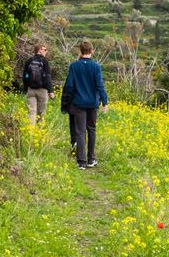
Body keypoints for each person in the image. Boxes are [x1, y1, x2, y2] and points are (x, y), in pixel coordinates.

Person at [63, 39, 108, 168]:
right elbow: (100, 85)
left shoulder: (74, 66)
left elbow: (70, 86)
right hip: (92, 103)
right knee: (92, 130)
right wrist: (105, 102)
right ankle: (91, 159)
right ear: (91, 51)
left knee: (80, 132)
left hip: (78, 103)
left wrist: (66, 102)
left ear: (80, 51)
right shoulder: (96, 66)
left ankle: (81, 162)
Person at [22, 44, 54, 126]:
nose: (46, 51)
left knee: (31, 112)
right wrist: (50, 91)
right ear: (40, 50)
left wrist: (26, 88)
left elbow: (25, 76)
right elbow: (48, 76)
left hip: (30, 90)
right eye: (45, 50)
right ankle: (39, 133)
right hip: (42, 90)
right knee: (41, 113)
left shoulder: (29, 61)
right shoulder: (44, 61)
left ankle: (30, 133)